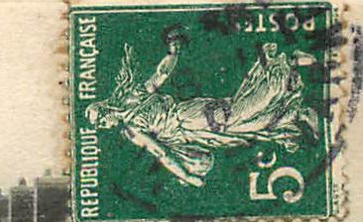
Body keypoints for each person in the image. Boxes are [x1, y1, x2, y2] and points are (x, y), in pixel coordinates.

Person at [84, 37, 322, 189]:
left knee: (239, 116)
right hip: (190, 117)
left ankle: (285, 66)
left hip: (190, 121)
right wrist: (173, 52)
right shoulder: (132, 98)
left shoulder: (131, 129)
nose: (104, 127)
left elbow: (162, 153)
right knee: (246, 123)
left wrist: (189, 178)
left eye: (101, 122)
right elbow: (160, 76)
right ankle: (296, 111)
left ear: (106, 112)